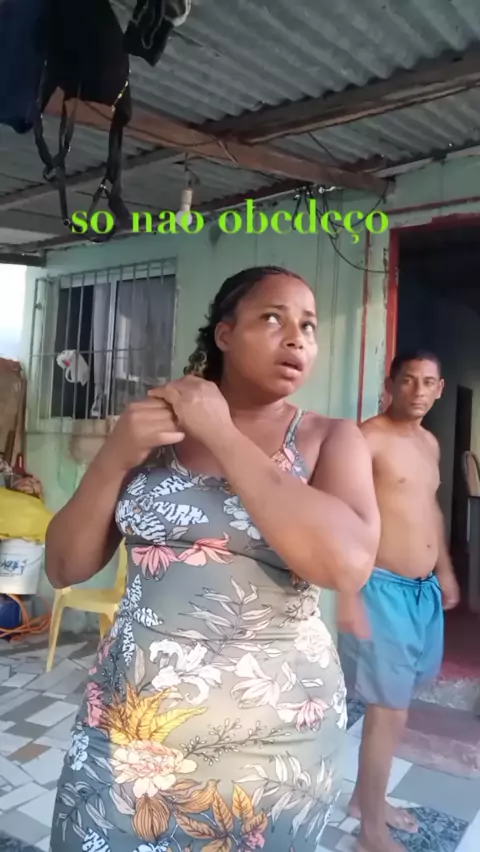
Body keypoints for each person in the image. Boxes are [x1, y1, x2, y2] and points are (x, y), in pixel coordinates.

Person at [46, 266, 380, 852]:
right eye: (272, 318)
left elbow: (346, 566)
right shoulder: (154, 436)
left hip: (274, 749)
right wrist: (115, 456)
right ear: (224, 334)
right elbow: (63, 568)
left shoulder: (331, 439)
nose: (296, 338)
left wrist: (223, 435)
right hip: (124, 730)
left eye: (308, 325)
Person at [338, 350, 460, 852]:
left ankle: (364, 800)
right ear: (391, 384)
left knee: (400, 706)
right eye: (408, 380)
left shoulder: (430, 443)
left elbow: (429, 509)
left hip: (421, 591)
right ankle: (370, 830)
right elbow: (343, 517)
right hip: (381, 588)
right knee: (387, 711)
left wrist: (445, 569)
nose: (418, 390)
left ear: (440, 388)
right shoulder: (366, 439)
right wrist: (348, 595)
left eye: (428, 382)